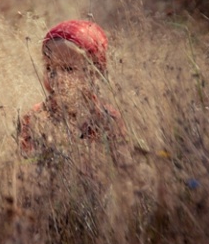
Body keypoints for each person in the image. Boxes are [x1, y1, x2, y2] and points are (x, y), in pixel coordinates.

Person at [17, 20, 129, 168]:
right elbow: (24, 169)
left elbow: (122, 167)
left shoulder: (106, 118)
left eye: (68, 69)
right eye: (50, 68)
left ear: (94, 73)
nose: (57, 77)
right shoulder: (34, 118)